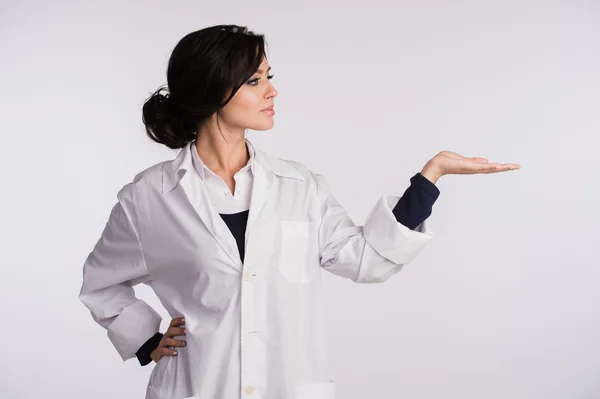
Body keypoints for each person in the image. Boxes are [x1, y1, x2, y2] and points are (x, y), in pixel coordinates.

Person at [78, 24, 520, 399]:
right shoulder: (148, 198)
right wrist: (149, 340)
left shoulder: (299, 186)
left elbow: (367, 259)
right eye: (255, 80)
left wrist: (430, 177)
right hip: (198, 385)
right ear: (213, 89)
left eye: (269, 76)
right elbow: (101, 285)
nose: (272, 90)